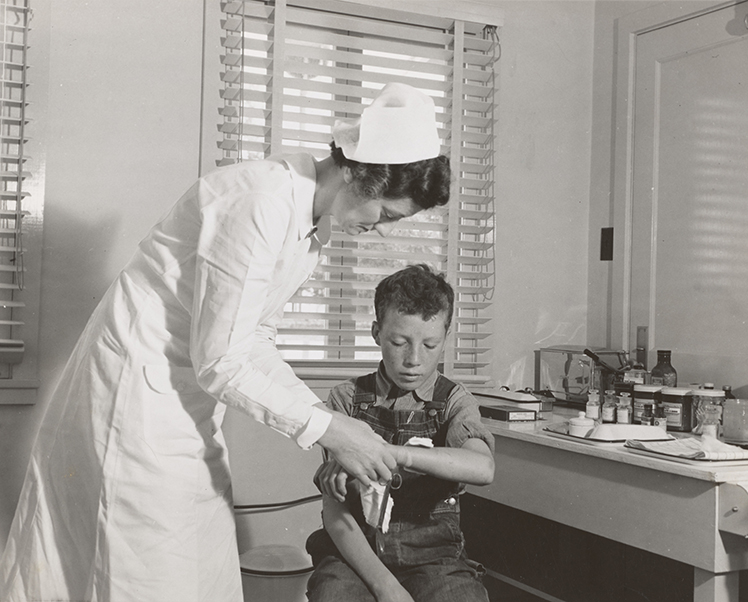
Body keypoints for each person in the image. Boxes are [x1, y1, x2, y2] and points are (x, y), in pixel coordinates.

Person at [0, 83, 451, 602]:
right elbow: (220, 359)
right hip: (135, 397)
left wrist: (331, 422)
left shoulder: (310, 227)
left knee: (197, 563)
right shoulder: (258, 201)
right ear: (361, 174)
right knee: (141, 568)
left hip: (186, 397)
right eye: (388, 215)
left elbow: (252, 338)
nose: (382, 230)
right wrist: (330, 431)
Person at [306, 264, 494, 602]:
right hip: (355, 555)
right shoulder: (345, 399)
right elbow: (335, 514)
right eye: (398, 342)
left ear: (446, 338)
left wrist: (394, 454)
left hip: (436, 560)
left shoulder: (454, 401)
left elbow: (483, 468)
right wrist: (385, 586)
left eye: (430, 344)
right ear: (377, 333)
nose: (414, 360)